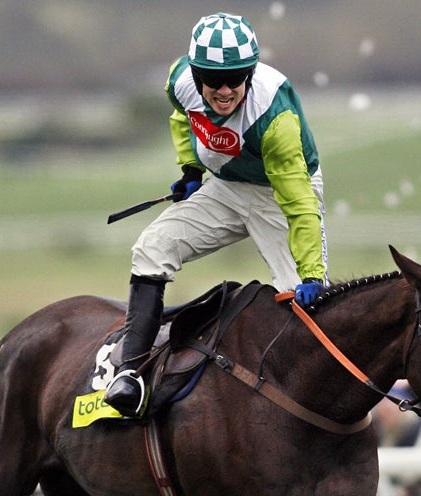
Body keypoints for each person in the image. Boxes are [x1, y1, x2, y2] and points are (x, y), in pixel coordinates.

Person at [103, 12, 329, 417]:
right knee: (151, 248)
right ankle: (130, 374)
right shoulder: (179, 81)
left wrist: (312, 274)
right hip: (225, 187)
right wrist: (190, 168)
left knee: (306, 306)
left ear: (250, 73)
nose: (225, 90)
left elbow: (298, 204)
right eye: (213, 80)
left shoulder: (274, 119)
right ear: (195, 74)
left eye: (237, 78)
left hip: (280, 195)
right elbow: (181, 118)